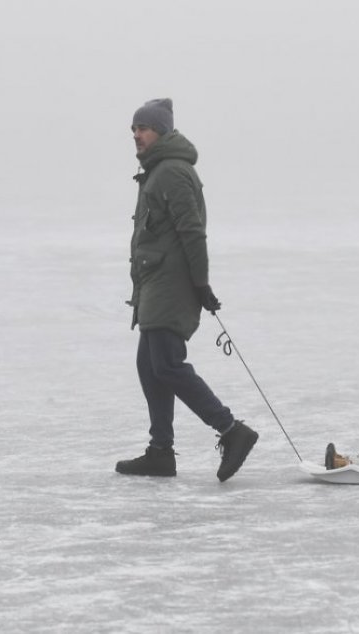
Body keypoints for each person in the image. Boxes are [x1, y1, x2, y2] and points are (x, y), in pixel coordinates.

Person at [115, 98, 258, 482]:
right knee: (150, 365)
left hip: (171, 285)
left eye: (142, 128)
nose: (135, 135)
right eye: (132, 129)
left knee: (166, 364)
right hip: (156, 283)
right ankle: (160, 452)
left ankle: (232, 431)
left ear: (160, 130)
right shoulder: (157, 172)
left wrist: (200, 283)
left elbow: (192, 231)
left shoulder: (172, 173)